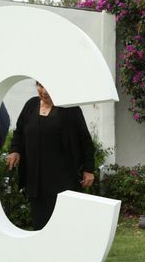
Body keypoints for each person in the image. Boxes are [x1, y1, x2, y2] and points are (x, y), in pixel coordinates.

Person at [6, 81, 95, 230]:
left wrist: (89, 169)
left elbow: (85, 140)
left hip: (63, 179)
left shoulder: (71, 109)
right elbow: (19, 132)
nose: (44, 91)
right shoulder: (31, 105)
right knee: (40, 224)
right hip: (35, 179)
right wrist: (15, 150)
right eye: (40, 86)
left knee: (63, 225)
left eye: (49, 87)